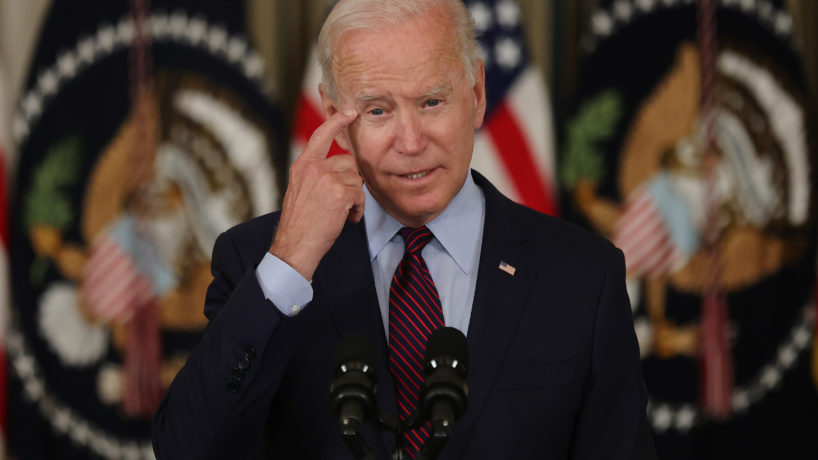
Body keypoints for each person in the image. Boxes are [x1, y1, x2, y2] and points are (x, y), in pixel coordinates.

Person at [152, 0, 655, 458]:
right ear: (333, 116)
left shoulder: (583, 276)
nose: (411, 142)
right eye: (377, 110)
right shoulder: (258, 262)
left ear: (477, 94)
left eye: (432, 102)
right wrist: (289, 263)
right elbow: (185, 449)